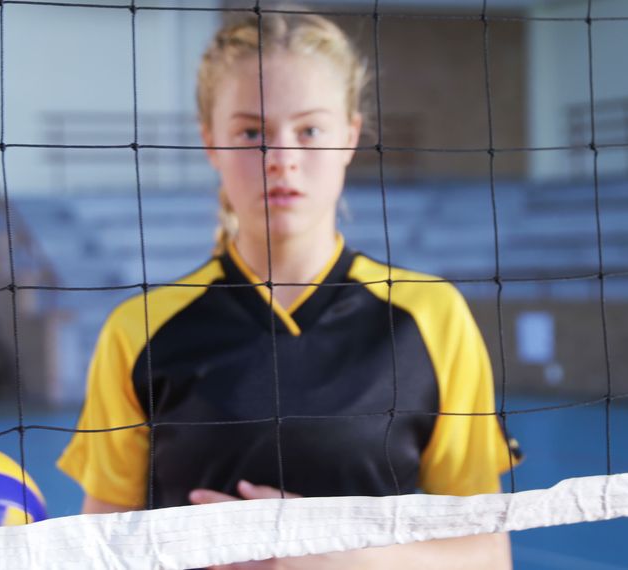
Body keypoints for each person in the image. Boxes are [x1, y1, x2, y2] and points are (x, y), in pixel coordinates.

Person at [57, 8, 520, 568]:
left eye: (310, 130)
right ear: (210, 142)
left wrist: (324, 559)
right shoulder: (140, 329)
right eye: (252, 132)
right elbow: (98, 547)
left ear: (350, 137)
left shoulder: (429, 315)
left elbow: (488, 553)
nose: (282, 159)